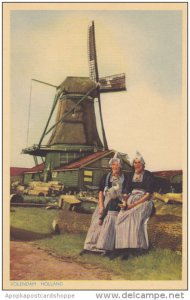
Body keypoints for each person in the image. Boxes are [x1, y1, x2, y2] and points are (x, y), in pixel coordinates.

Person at [80, 152, 128, 255]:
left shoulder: (125, 179)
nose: (114, 167)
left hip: (117, 203)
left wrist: (123, 203)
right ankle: (89, 246)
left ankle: (103, 248)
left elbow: (125, 194)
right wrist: (101, 206)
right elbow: (101, 192)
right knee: (97, 221)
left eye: (117, 165)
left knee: (109, 223)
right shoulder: (106, 177)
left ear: (120, 166)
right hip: (105, 201)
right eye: (113, 165)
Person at [115, 151, 154, 259]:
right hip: (130, 200)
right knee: (121, 217)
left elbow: (148, 194)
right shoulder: (130, 175)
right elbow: (126, 191)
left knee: (133, 217)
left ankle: (135, 248)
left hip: (144, 201)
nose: (137, 165)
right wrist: (124, 203)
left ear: (143, 164)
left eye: (139, 163)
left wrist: (133, 205)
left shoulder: (148, 175)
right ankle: (123, 248)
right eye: (135, 163)